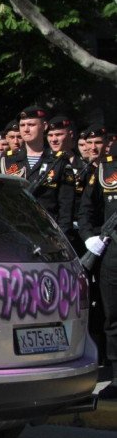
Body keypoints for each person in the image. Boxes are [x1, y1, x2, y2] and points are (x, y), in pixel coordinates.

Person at [78, 144, 117, 399]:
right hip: (113, 253)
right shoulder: (106, 169)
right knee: (113, 318)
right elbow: (86, 211)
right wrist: (89, 237)